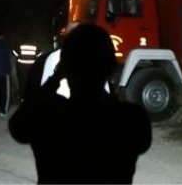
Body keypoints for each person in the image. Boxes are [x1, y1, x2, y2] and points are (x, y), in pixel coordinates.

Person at [9, 23, 152, 184]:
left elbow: (18, 128)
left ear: (65, 67)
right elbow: (141, 142)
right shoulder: (130, 118)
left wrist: (55, 79)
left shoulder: (49, 114)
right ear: (111, 67)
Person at [12, 37, 43, 102]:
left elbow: (14, 52)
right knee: (32, 81)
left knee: (22, 82)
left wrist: (18, 56)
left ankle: (23, 98)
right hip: (32, 66)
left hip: (22, 66)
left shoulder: (20, 45)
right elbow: (40, 53)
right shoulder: (34, 45)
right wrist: (35, 57)